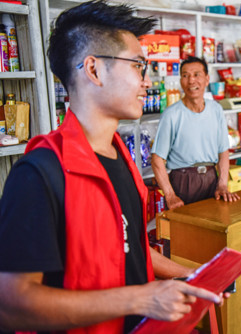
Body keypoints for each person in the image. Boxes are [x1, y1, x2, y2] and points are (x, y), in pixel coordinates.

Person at [0, 1, 224, 333]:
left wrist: (187, 275)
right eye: (138, 65)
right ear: (93, 70)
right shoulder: (39, 174)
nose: (146, 81)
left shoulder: (122, 160)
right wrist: (141, 299)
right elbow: (10, 307)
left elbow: (130, 249)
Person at [151, 56, 240, 210]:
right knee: (186, 232)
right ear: (180, 81)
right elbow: (157, 159)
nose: (191, 81)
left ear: (207, 79)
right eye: (185, 76)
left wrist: (223, 185)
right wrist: (170, 195)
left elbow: (223, 151)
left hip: (212, 179)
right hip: (183, 182)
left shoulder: (216, 110)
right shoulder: (171, 114)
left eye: (196, 75)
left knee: (214, 230)